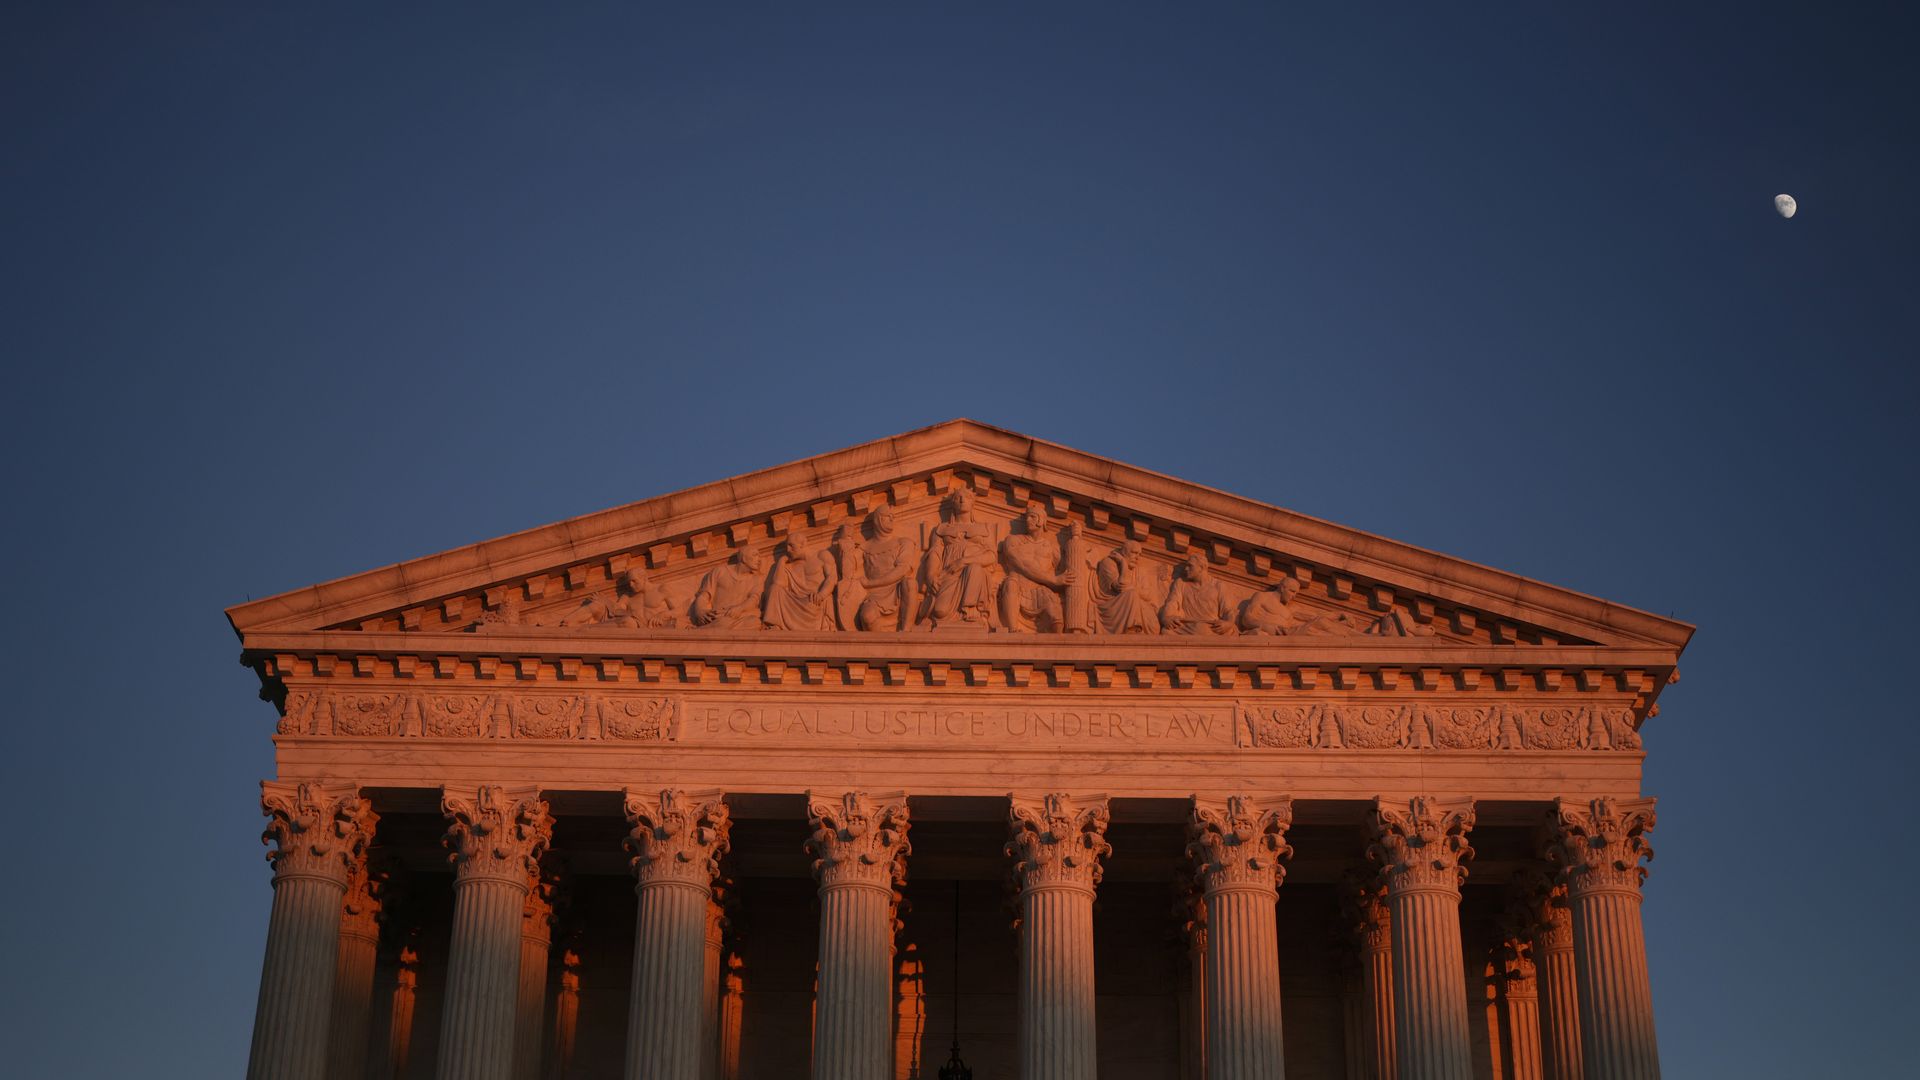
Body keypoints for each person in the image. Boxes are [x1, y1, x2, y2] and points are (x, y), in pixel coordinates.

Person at [920, 488, 996, 628]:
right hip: (949, 573)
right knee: (940, 611)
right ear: (952, 503)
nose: (962, 499)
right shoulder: (941, 528)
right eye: (957, 497)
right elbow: (935, 553)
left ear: (973, 502)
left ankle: (971, 611)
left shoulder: (984, 528)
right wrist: (931, 575)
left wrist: (963, 561)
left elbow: (991, 556)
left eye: (966, 496)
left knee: (975, 568)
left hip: (975, 574)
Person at [998, 503, 1065, 633]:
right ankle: (1012, 629)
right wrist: (1053, 580)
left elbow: (1066, 572)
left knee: (1057, 620)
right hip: (1018, 586)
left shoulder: (1051, 548)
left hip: (1042, 590)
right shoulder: (1013, 540)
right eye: (1027, 517)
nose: (1028, 520)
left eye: (1032, 517)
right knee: (1010, 583)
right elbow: (1023, 565)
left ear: (1042, 521)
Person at [854, 505, 920, 631]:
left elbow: (903, 569)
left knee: (910, 583)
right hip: (874, 594)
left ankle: (906, 632)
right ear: (877, 519)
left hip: (897, 590)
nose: (891, 519)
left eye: (892, 516)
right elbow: (849, 566)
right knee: (867, 617)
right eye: (887, 516)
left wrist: (870, 583)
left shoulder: (904, 542)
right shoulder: (864, 547)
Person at [763, 530, 838, 631]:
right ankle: (775, 625)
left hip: (814, 601)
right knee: (774, 588)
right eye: (786, 547)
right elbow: (778, 584)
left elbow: (832, 578)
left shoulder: (821, 556)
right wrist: (781, 561)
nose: (788, 550)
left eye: (791, 545)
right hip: (794, 602)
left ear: (802, 544)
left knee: (817, 601)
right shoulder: (789, 565)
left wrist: (821, 595)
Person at [1160, 551, 1238, 635]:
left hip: (1210, 626)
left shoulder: (1218, 586)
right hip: (1186, 625)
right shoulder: (1181, 583)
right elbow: (1172, 602)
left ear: (1201, 568)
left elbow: (1228, 610)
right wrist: (1166, 617)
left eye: (1190, 566)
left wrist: (1228, 623)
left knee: (1201, 629)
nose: (1186, 569)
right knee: (1166, 631)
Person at [690, 546, 768, 629]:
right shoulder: (720, 571)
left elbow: (754, 599)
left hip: (740, 617)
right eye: (755, 555)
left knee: (755, 622)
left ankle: (708, 629)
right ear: (744, 558)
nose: (759, 560)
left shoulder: (756, 579)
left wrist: (739, 609)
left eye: (759, 556)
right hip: (718, 615)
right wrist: (699, 610)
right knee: (723, 622)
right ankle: (710, 628)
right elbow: (704, 595)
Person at [1095, 539, 1161, 634]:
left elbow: (1148, 595)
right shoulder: (1108, 562)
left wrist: (1132, 589)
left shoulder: (1140, 571)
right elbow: (1121, 586)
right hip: (1112, 607)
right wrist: (1123, 564)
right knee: (1131, 595)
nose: (1137, 557)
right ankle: (1132, 628)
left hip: (1136, 605)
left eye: (1139, 554)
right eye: (1134, 553)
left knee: (1154, 625)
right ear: (1123, 552)